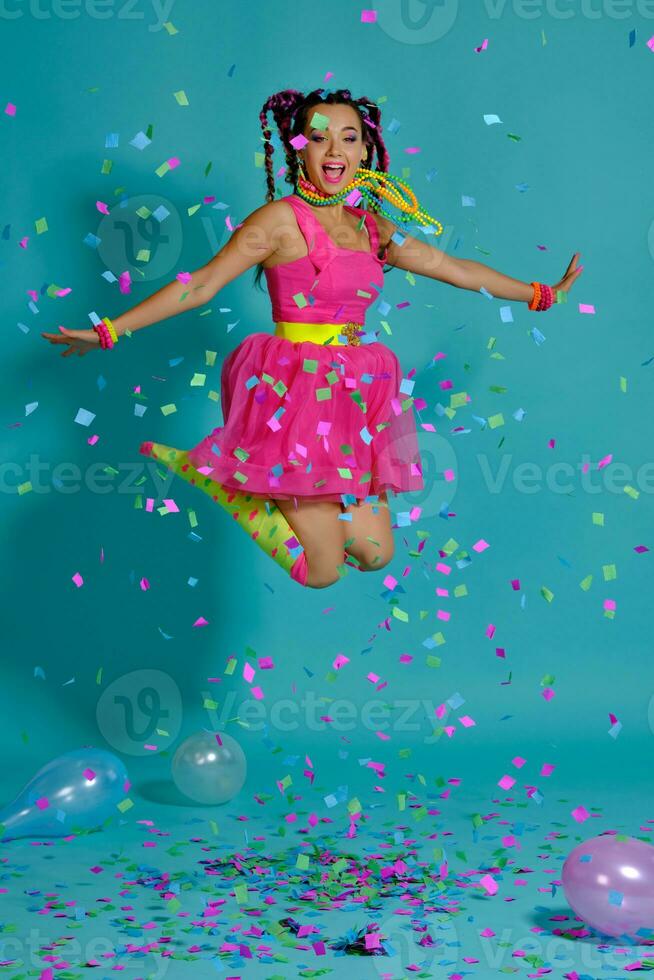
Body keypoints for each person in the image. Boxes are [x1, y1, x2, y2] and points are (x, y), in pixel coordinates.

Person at [42, 86, 583, 590]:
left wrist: (540, 293)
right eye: (318, 136)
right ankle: (228, 484)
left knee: (374, 554)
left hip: (354, 394)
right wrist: (109, 330)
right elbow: (201, 285)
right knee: (323, 571)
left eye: (349, 137)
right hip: (296, 394)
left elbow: (458, 270)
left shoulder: (373, 227)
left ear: (366, 149)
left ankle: (248, 485)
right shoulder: (279, 220)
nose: (333, 149)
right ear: (296, 147)